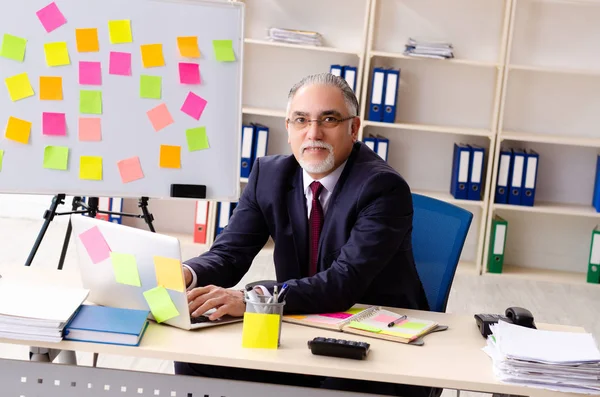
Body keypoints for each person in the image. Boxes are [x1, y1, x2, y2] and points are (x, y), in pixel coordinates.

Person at [175, 73, 437, 397]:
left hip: (373, 343)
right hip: (301, 327)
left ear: (353, 129)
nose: (313, 133)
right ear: (288, 128)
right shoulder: (268, 176)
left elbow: (343, 282)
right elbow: (230, 253)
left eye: (329, 119)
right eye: (301, 120)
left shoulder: (382, 188)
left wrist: (250, 298)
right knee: (194, 359)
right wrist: (186, 274)